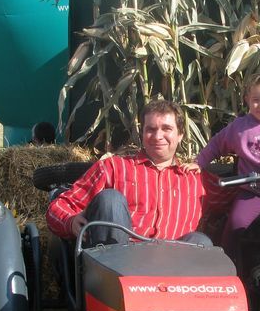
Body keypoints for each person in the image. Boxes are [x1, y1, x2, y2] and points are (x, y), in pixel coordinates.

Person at [46, 99, 214, 246]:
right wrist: (70, 221)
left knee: (201, 242)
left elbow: (236, 196)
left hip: (174, 269)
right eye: (151, 129)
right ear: (142, 133)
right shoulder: (113, 167)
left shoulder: (196, 179)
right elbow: (58, 207)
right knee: (111, 199)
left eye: (166, 129)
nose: (158, 136)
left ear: (180, 135)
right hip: (118, 264)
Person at [182, 73, 260, 260]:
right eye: (256, 100)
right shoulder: (240, 128)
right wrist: (199, 162)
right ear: (247, 99)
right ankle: (229, 268)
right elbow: (216, 144)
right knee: (235, 226)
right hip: (253, 190)